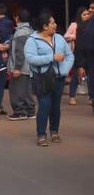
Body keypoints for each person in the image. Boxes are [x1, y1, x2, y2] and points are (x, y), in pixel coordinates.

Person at [25, 11, 74, 147]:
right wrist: (51, 58)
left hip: (58, 78)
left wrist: (64, 69)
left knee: (55, 106)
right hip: (42, 78)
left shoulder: (59, 38)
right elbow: (31, 58)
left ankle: (54, 131)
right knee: (45, 105)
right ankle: (41, 134)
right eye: (52, 23)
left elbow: (69, 55)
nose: (55, 25)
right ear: (45, 26)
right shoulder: (32, 40)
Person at [8, 9, 36, 121]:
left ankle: (20, 111)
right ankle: (30, 111)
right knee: (27, 90)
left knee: (17, 90)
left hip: (22, 67)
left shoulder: (20, 32)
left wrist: (17, 67)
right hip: (30, 66)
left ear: (17, 18)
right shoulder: (31, 30)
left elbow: (20, 51)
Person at [64, 7, 90, 105]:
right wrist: (75, 36)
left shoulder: (90, 25)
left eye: (88, 14)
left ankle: (91, 97)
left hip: (88, 53)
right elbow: (65, 36)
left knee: (89, 76)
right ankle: (72, 96)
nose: (87, 16)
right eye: (84, 14)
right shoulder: (74, 25)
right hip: (77, 52)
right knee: (76, 75)